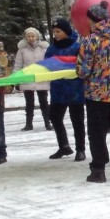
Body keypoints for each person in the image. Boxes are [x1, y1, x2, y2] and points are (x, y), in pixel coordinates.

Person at [77, 0, 110, 182]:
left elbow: (83, 70)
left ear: (93, 20)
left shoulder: (90, 40)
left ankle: (98, 170)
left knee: (97, 133)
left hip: (96, 95)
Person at [46, 18, 85, 161]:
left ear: (66, 32)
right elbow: (46, 65)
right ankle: (63, 146)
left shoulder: (77, 47)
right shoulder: (51, 49)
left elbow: (83, 64)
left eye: (58, 31)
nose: (55, 34)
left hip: (75, 90)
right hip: (57, 90)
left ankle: (80, 149)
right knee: (55, 117)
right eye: (54, 32)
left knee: (77, 120)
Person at [14, 28, 52, 132]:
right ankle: (28, 124)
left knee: (44, 102)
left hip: (41, 78)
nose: (31, 38)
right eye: (28, 36)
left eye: (32, 36)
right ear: (25, 37)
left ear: (37, 36)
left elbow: (49, 63)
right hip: (27, 78)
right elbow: (18, 65)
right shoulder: (22, 50)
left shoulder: (44, 49)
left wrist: (51, 76)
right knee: (29, 103)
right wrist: (16, 79)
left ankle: (47, 123)